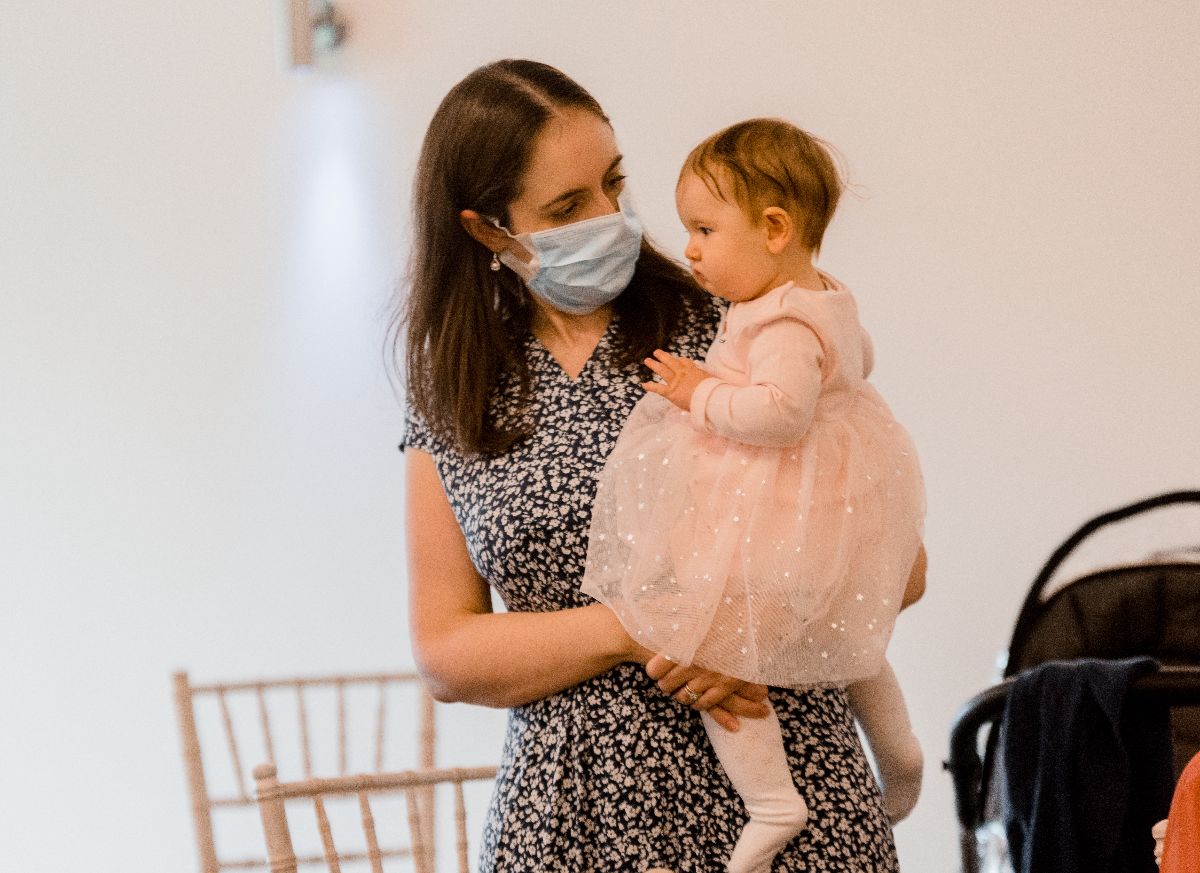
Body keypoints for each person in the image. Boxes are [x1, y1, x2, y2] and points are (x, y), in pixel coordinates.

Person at [396, 59, 903, 872]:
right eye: (568, 206)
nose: (611, 217)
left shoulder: (740, 324)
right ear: (489, 230)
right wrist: (645, 627)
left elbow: (896, 563)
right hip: (569, 819)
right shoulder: (457, 391)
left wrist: (738, 624)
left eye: (613, 183)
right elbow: (447, 652)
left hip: (782, 808)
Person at [580, 119, 926, 872]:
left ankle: (772, 799)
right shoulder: (824, 296)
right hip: (828, 503)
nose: (691, 249)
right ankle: (898, 753)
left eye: (704, 229)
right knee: (849, 637)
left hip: (774, 510)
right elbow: (858, 362)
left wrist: (701, 391)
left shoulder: (781, 318)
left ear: (774, 229)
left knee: (714, 642)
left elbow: (781, 412)